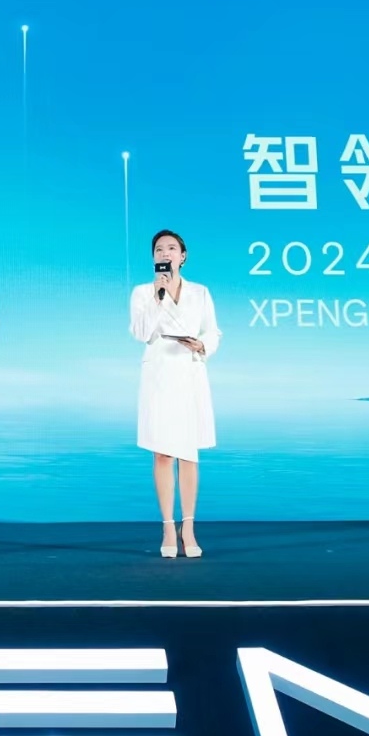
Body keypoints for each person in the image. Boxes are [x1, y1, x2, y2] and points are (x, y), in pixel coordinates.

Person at [129, 229, 219, 558]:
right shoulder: (143, 292)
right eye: (158, 249)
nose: (165, 253)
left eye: (171, 248)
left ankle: (189, 527)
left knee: (189, 454)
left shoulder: (200, 292)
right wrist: (159, 297)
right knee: (163, 453)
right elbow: (140, 332)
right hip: (159, 375)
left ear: (183, 256)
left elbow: (213, 331)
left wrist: (202, 344)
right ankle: (168, 526)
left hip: (190, 372)